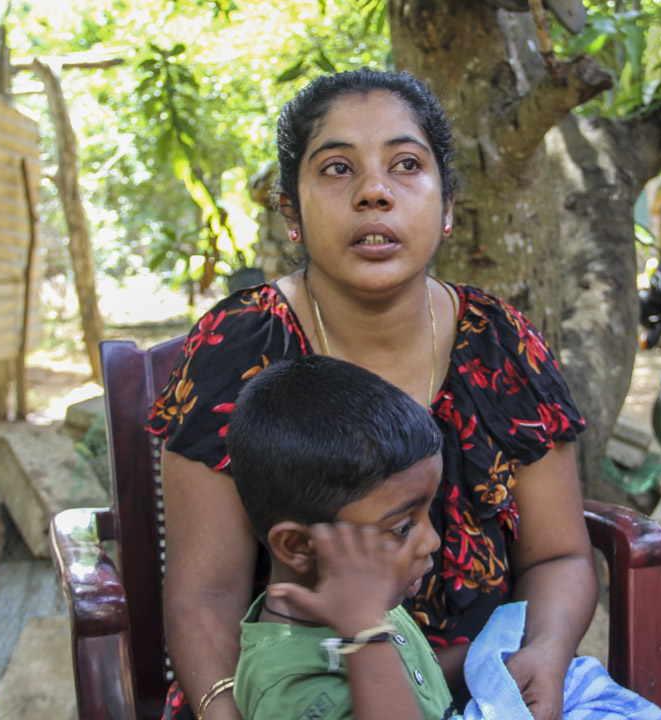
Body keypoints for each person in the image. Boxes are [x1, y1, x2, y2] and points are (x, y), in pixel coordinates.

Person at [148, 68, 596, 720]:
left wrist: (549, 650)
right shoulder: (237, 347)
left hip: (474, 693)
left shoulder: (503, 344)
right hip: (287, 701)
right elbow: (205, 593)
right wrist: (223, 708)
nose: (374, 193)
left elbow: (560, 554)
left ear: (445, 207)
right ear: (291, 212)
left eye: (406, 164)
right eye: (336, 169)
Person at [227, 355, 453, 720]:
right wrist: (366, 634)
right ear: (300, 547)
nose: (431, 542)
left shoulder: (367, 603)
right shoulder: (292, 687)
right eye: (402, 528)